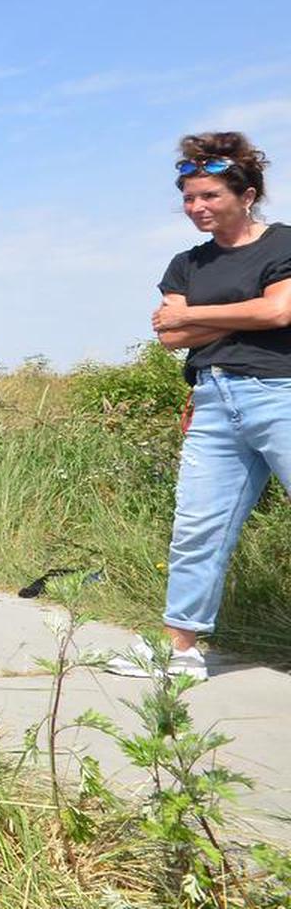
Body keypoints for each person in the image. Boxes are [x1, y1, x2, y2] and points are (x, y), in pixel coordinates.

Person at [107, 132, 291, 680]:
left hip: (279, 392)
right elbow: (168, 334)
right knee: (197, 527)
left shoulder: (282, 244)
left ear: (247, 194)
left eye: (209, 196)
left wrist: (197, 319)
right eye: (189, 198)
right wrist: (243, 312)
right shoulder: (187, 263)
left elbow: (281, 313)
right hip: (213, 400)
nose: (196, 208)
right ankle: (181, 651)